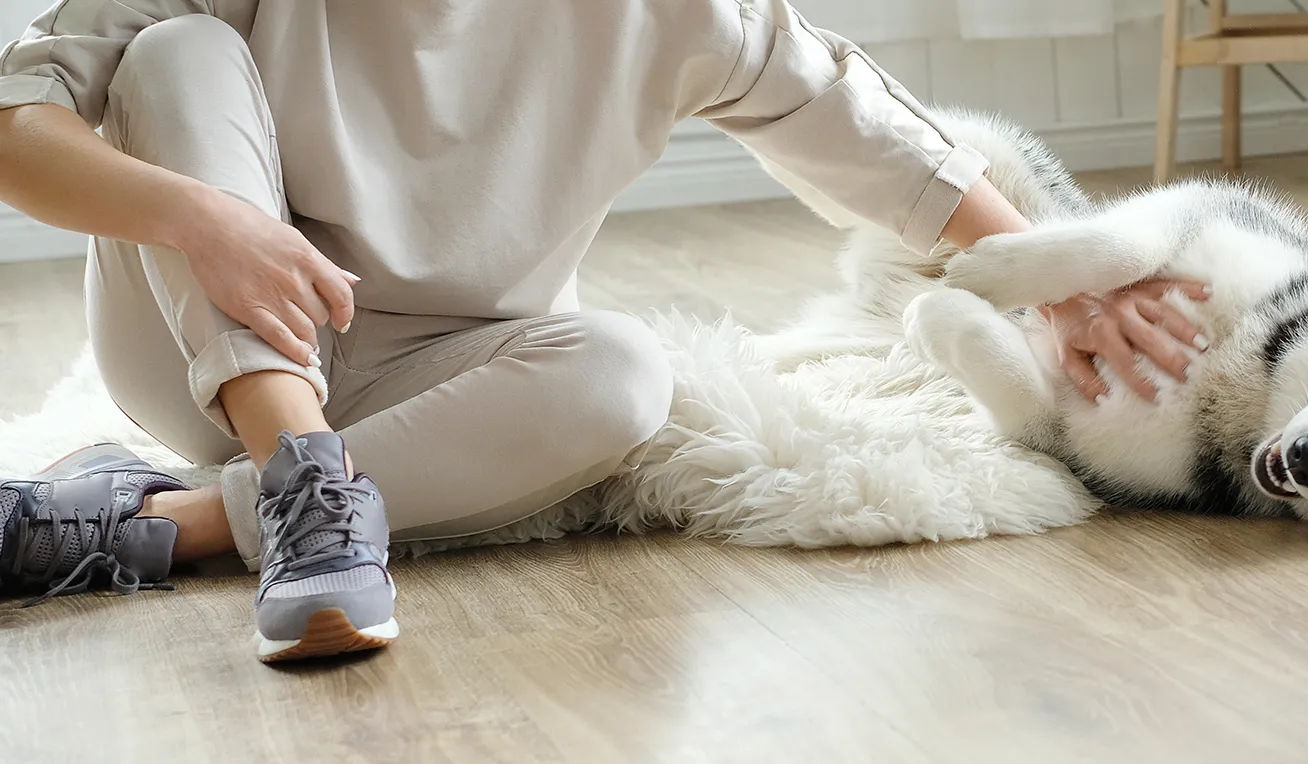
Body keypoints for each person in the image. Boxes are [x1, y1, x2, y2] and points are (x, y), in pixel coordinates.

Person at [0, 0, 1210, 662]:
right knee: (177, 51)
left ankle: (163, 520)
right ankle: (298, 482)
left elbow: (869, 134)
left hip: (445, 376)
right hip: (201, 353)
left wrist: (1061, 279)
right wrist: (198, 216)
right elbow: (18, 119)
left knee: (627, 370)